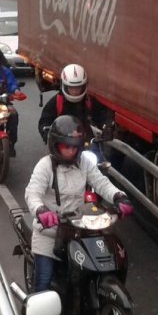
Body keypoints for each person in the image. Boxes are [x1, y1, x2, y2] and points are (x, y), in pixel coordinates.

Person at [24, 116, 133, 297]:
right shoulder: (45, 166)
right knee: (42, 286)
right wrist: (41, 211)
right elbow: (32, 193)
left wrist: (119, 197)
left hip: (79, 231)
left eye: (75, 146)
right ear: (55, 144)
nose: (71, 151)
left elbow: (101, 182)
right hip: (50, 233)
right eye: (66, 146)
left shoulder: (84, 163)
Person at [37, 63, 99, 144]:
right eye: (71, 88)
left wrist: (107, 125)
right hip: (63, 142)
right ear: (64, 86)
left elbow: (102, 113)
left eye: (78, 87)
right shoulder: (56, 101)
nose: (75, 91)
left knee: (99, 154)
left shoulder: (89, 100)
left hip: (85, 140)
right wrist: (46, 132)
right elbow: (45, 120)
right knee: (51, 156)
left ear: (84, 86)